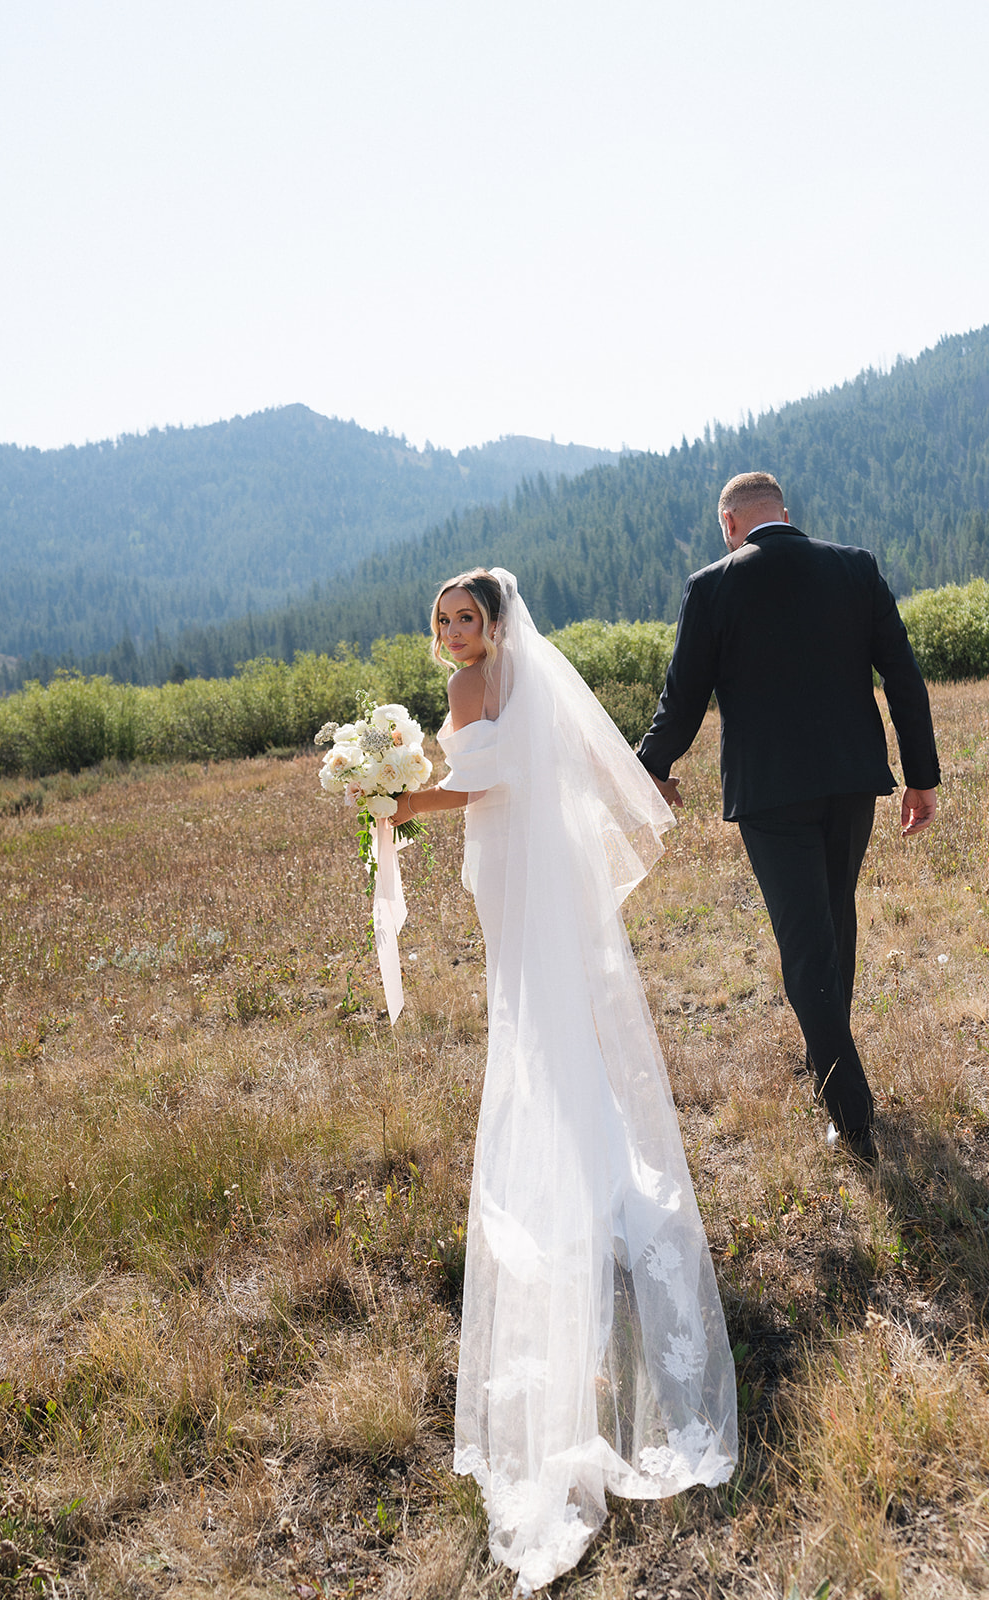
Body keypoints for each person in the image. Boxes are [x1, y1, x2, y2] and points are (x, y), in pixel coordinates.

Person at [390, 568, 737, 1595]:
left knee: (539, 1026)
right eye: (445, 619)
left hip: (517, 866)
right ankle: (595, 1162)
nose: (456, 632)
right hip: (520, 872)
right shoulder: (523, 677)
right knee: (549, 1023)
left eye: (469, 617)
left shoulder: (482, 686)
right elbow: (581, 753)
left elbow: (483, 782)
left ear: (495, 622)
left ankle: (577, 1175)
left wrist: (396, 798)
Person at [637, 472, 940, 1166]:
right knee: (833, 920)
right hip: (850, 782)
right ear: (784, 514)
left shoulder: (711, 584)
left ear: (728, 523)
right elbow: (902, 676)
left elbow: (682, 697)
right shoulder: (852, 567)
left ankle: (851, 1115)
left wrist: (649, 766)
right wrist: (920, 777)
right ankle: (825, 1063)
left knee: (806, 942)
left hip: (769, 793)